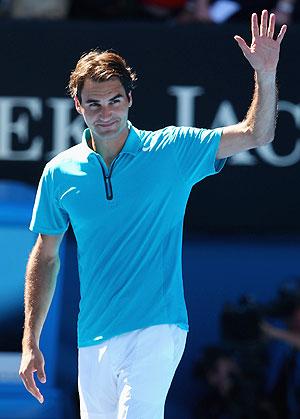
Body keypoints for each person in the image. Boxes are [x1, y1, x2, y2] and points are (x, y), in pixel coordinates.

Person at [19, 10, 287, 419]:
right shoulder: (59, 173)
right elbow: (47, 255)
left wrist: (265, 74)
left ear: (130, 100)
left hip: (157, 329)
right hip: (92, 339)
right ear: (78, 105)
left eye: (115, 101)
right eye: (94, 104)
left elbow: (257, 133)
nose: (105, 113)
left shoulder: (172, 150)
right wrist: (30, 339)